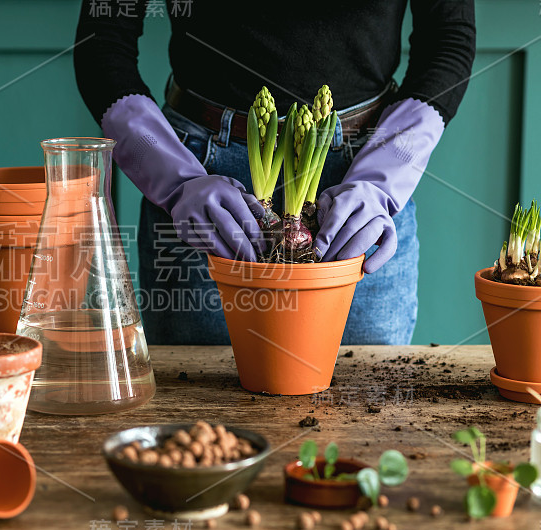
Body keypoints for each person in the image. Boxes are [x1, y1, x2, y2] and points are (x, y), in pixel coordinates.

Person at [73, 1, 476, 345]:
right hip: (201, 188)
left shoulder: (373, 189)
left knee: (366, 414)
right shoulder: (186, 187)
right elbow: (101, 42)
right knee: (199, 411)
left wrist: (383, 179)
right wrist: (176, 182)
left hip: (360, 192)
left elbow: (449, 38)